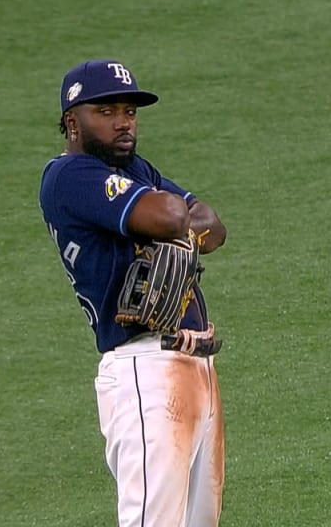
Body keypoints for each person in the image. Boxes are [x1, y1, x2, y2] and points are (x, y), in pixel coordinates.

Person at [39, 59, 228, 527]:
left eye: (129, 110)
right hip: (146, 371)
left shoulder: (136, 168)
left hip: (195, 367)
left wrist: (173, 218)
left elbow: (215, 226)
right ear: (71, 123)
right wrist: (174, 218)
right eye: (106, 111)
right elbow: (171, 215)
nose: (123, 122)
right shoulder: (70, 177)